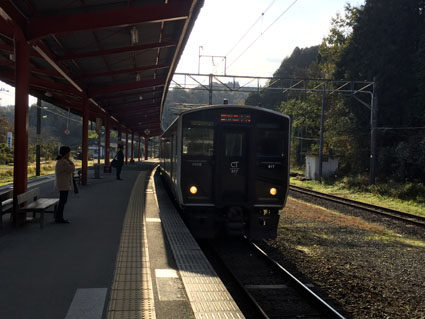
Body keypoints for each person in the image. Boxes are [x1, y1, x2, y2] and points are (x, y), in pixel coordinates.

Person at [55, 146, 75, 223]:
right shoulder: (63, 162)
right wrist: (71, 161)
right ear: (66, 153)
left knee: (63, 201)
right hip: (63, 184)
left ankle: (59, 217)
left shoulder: (61, 160)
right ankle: (59, 218)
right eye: (68, 153)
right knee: (63, 201)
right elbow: (72, 169)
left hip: (63, 183)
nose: (69, 154)